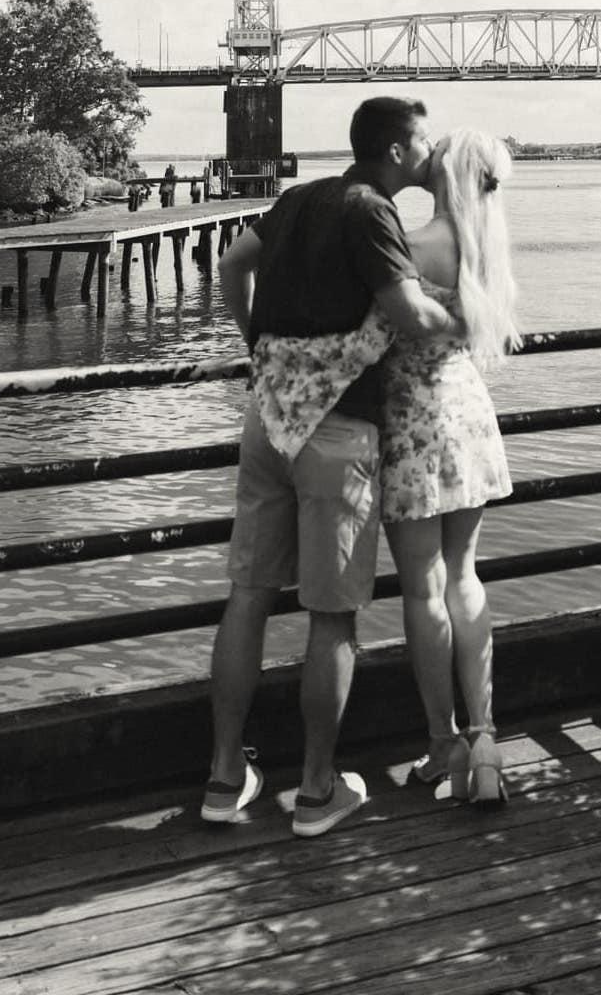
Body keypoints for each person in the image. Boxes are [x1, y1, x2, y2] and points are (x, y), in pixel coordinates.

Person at [202, 97, 460, 839]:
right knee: (333, 614)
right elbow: (409, 313)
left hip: (265, 419)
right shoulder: (372, 210)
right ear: (396, 151)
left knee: (248, 595)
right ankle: (317, 791)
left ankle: (224, 777)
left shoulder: (297, 198)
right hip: (338, 430)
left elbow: (233, 263)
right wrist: (471, 318)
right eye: (423, 142)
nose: (430, 152)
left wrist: (258, 342)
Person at [380, 128, 522, 807]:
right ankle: (486, 736)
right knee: (464, 576)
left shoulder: (410, 247)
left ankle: (444, 744)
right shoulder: (488, 247)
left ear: (442, 172)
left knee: (422, 589)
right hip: (469, 413)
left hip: (413, 420)